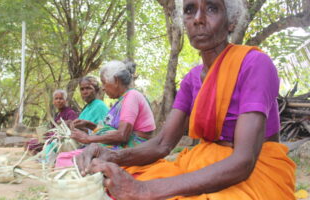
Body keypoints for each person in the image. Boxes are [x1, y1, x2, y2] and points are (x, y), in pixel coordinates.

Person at [75, 0, 296, 199]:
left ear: (232, 21)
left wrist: (144, 190)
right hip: (203, 162)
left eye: (211, 8)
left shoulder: (255, 64)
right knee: (114, 181)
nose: (198, 19)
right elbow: (162, 144)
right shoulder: (191, 80)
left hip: (256, 169)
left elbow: (244, 161)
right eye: (190, 10)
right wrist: (112, 156)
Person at [55, 61, 156, 168]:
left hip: (132, 149)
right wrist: (89, 124)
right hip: (123, 146)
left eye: (104, 83)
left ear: (116, 81)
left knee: (65, 159)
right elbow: (112, 130)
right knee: (66, 157)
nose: (103, 88)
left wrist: (88, 138)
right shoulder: (123, 100)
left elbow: (122, 135)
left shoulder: (131, 97)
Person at [25, 89, 78, 155]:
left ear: (66, 101)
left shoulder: (70, 113)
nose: (58, 101)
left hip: (59, 141)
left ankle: (41, 154)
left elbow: (73, 128)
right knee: (29, 142)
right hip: (50, 138)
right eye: (56, 99)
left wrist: (65, 123)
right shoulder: (57, 114)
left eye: (61, 98)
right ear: (53, 101)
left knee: (32, 144)